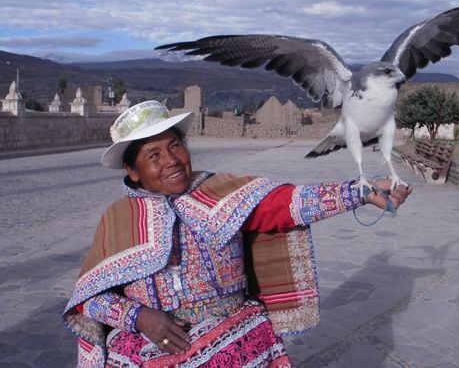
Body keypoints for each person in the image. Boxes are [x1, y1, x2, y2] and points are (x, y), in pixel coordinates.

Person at [63, 100, 412, 367]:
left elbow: (289, 203)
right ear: (132, 171)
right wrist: (139, 318)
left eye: (175, 146)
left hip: (233, 336)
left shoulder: (222, 191)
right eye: (153, 154)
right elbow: (89, 299)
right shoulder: (117, 219)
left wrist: (361, 192)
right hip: (146, 346)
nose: (171, 160)